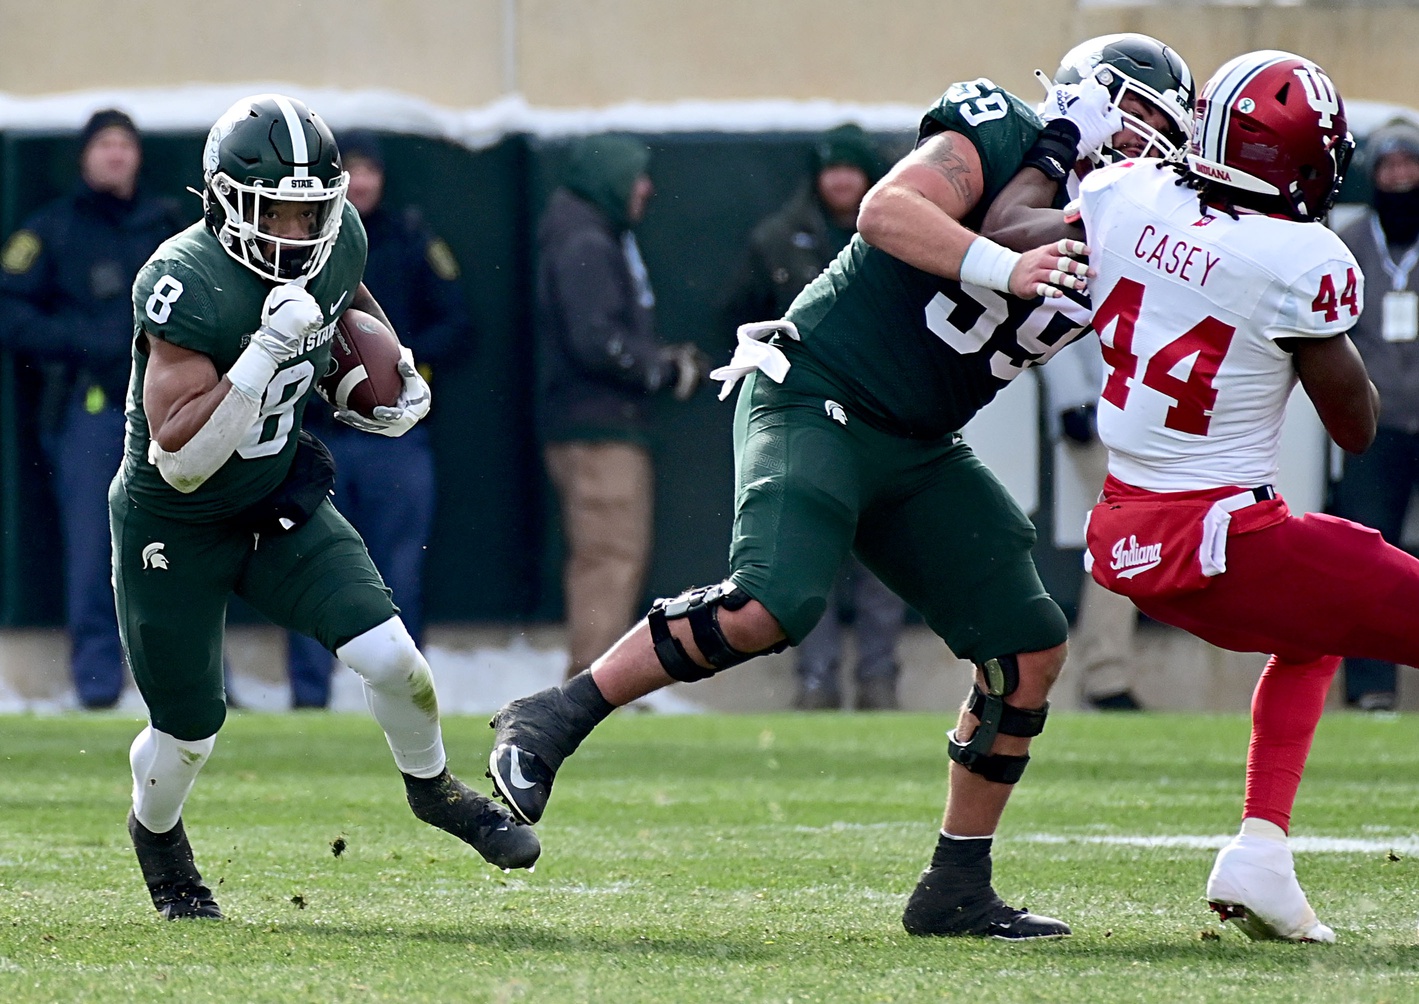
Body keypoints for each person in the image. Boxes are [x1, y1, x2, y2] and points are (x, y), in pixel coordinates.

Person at [488, 36, 1191, 941]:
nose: (1151, 144)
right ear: (1090, 100)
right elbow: (886, 211)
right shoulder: (999, 130)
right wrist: (1002, 266)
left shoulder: (1130, 222)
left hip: (917, 441)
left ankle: (955, 887)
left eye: (1166, 131)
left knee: (1027, 645)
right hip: (814, 387)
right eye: (1138, 117)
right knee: (771, 603)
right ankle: (554, 713)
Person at [114, 94, 538, 920]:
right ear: (225, 199)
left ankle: (434, 790)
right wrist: (267, 352)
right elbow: (184, 461)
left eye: (313, 211)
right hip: (175, 522)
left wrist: (397, 371)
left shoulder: (336, 241)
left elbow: (348, 298)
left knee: (393, 661)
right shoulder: (182, 280)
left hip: (274, 494)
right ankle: (158, 841)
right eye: (277, 209)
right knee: (187, 735)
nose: (298, 232)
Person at [1065, 50, 1419, 942]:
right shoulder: (1301, 256)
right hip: (1222, 538)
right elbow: (1355, 429)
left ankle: (1260, 854)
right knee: (1351, 577)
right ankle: (1257, 855)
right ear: (1299, 162)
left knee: (1314, 637)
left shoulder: (1124, 193)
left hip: (1123, 535)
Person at [0, 109, 187, 709]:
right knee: (94, 547)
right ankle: (99, 683)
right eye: (103, 145)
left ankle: (190, 679)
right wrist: (85, 339)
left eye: (124, 145)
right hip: (92, 409)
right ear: (84, 155)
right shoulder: (52, 230)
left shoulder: (167, 226)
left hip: (174, 412)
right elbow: (13, 312)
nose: (115, 155)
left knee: (184, 547)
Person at [719, 123, 908, 711]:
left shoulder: (900, 232)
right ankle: (815, 680)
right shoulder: (779, 238)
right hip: (805, 418)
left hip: (883, 413)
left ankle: (879, 681)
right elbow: (735, 313)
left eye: (852, 169)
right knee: (811, 553)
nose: (842, 181)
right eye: (833, 169)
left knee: (885, 556)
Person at [285, 131, 476, 709]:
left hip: (394, 436)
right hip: (319, 435)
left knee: (398, 570)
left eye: (370, 171)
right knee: (309, 565)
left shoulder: (411, 239)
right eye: (352, 171)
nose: (361, 182)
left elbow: (459, 323)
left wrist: (393, 362)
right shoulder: (297, 241)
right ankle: (308, 696)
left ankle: (401, 695)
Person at [535, 134, 710, 683]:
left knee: (610, 555)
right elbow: (595, 339)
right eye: (637, 176)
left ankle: (597, 680)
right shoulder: (584, 239)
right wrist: (659, 367)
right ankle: (592, 684)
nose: (647, 189)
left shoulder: (583, 232)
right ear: (609, 178)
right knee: (608, 556)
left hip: (596, 424)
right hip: (597, 431)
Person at [1329, 118, 1419, 712]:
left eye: (1409, 167)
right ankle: (1370, 688)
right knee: (1368, 557)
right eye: (1389, 169)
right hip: (1376, 424)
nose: (1400, 178)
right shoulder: (1353, 241)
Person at [1037, 336, 1144, 711]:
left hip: (1155, 413)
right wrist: (1071, 399)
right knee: (1126, 539)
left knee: (1138, 536)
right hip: (1101, 412)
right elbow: (1056, 314)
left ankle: (1106, 674)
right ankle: (1105, 676)